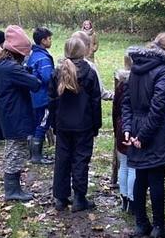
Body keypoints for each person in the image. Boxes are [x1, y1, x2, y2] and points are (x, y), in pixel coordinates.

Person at [122, 32, 165, 237]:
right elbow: (158, 107)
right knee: (155, 179)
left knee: (140, 176)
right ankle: (158, 227)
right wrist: (142, 135)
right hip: (153, 131)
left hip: (139, 128)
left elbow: (126, 102)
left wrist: (129, 129)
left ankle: (141, 224)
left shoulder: (135, 65)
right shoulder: (164, 71)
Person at [49, 37, 101, 212]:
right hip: (83, 124)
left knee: (62, 159)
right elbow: (95, 101)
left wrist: (54, 124)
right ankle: (79, 198)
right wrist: (96, 125)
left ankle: (61, 199)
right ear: (83, 51)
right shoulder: (89, 73)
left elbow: (52, 101)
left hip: (63, 124)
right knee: (80, 159)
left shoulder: (57, 72)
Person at [0, 25, 42, 201]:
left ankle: (13, 187)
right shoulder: (12, 68)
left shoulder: (2, 63)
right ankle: (12, 190)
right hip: (15, 113)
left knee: (13, 149)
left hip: (9, 112)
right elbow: (35, 84)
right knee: (15, 151)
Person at [27, 27, 55, 165]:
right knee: (42, 124)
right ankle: (36, 156)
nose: (51, 41)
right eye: (49, 39)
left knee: (35, 123)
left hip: (33, 96)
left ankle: (32, 153)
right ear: (43, 40)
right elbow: (47, 77)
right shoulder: (43, 57)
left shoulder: (33, 55)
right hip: (43, 97)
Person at [113, 51, 135, 213]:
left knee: (124, 165)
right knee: (133, 166)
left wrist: (116, 129)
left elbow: (115, 109)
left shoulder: (120, 84)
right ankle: (132, 200)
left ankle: (124, 198)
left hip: (121, 127)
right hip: (133, 127)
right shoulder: (138, 83)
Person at [71, 31, 114, 101]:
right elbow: (100, 92)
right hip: (85, 110)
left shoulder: (61, 66)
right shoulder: (90, 67)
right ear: (86, 47)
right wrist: (116, 95)